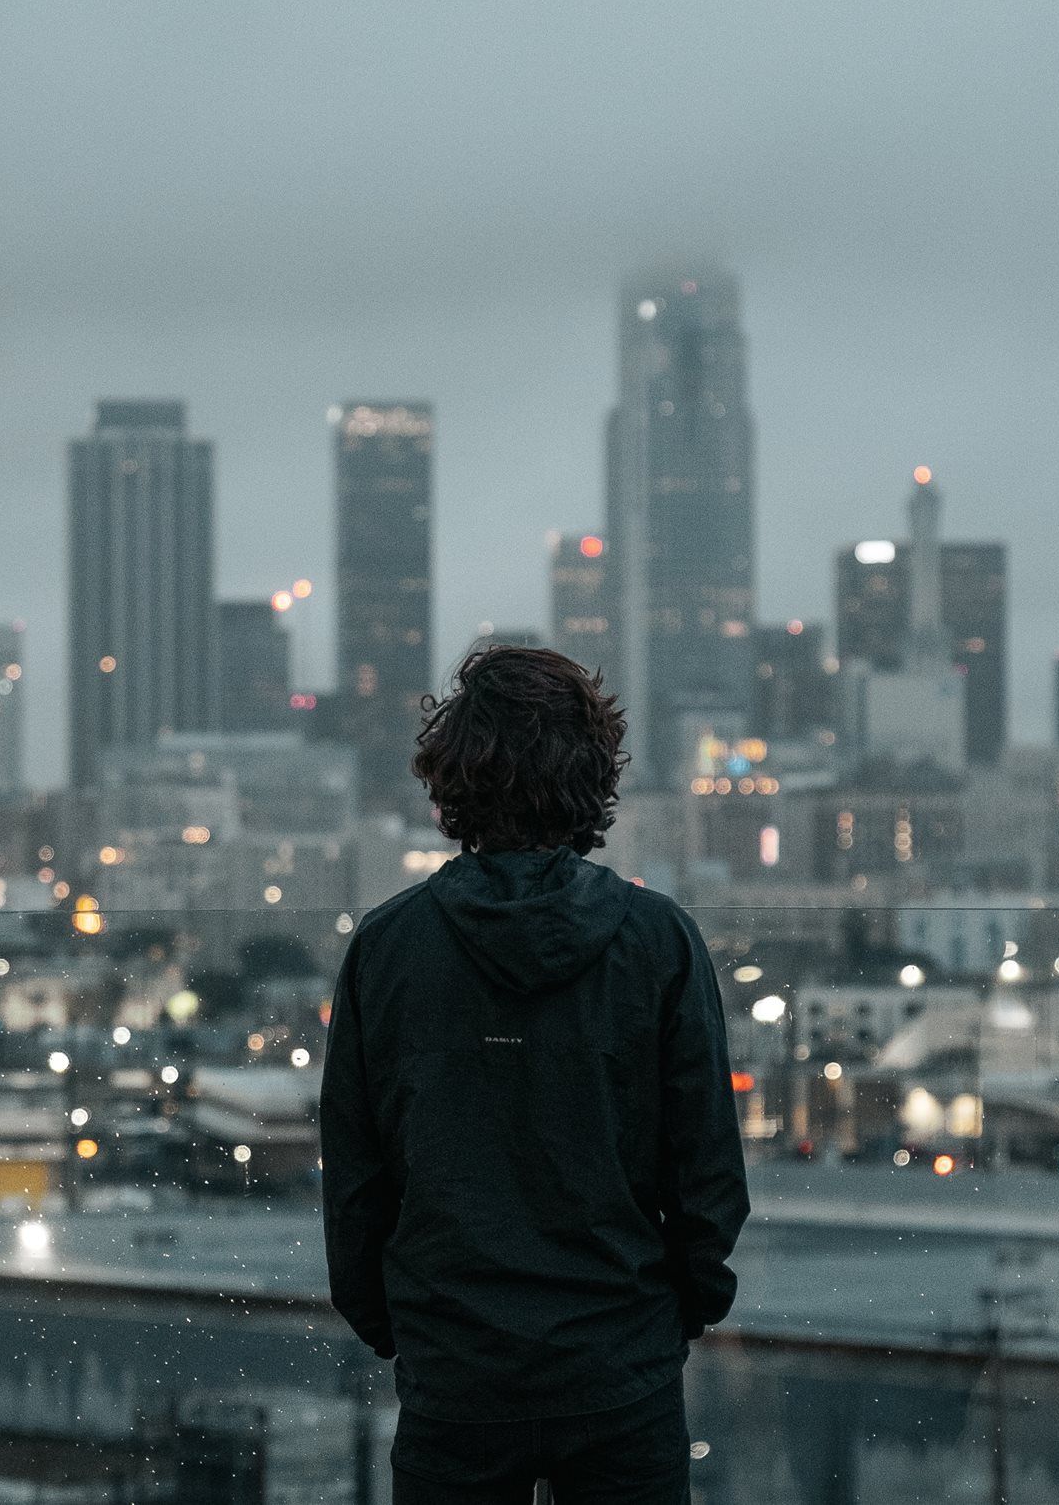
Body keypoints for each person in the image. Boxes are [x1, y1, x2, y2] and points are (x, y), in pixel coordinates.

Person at [319, 641, 750, 1504]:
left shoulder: (389, 946)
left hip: (456, 1370)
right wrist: (673, 1316)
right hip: (619, 1363)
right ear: (593, 777)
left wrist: (399, 1329)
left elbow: (356, 1178)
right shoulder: (658, 940)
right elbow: (706, 1173)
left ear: (451, 779)